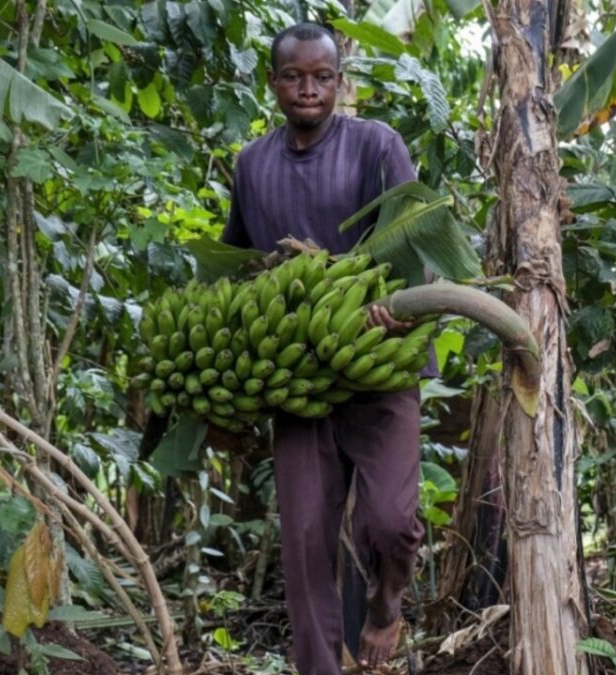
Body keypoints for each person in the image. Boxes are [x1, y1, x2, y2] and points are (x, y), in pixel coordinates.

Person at [220, 23, 424, 674]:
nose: (308, 89)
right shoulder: (252, 163)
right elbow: (238, 261)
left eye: (322, 77)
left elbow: (411, 239)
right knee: (304, 537)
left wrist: (377, 302)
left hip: (376, 359)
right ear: (273, 83)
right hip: (297, 376)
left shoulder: (376, 146)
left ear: (341, 81)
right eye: (294, 77)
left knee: (390, 519)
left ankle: (387, 605)